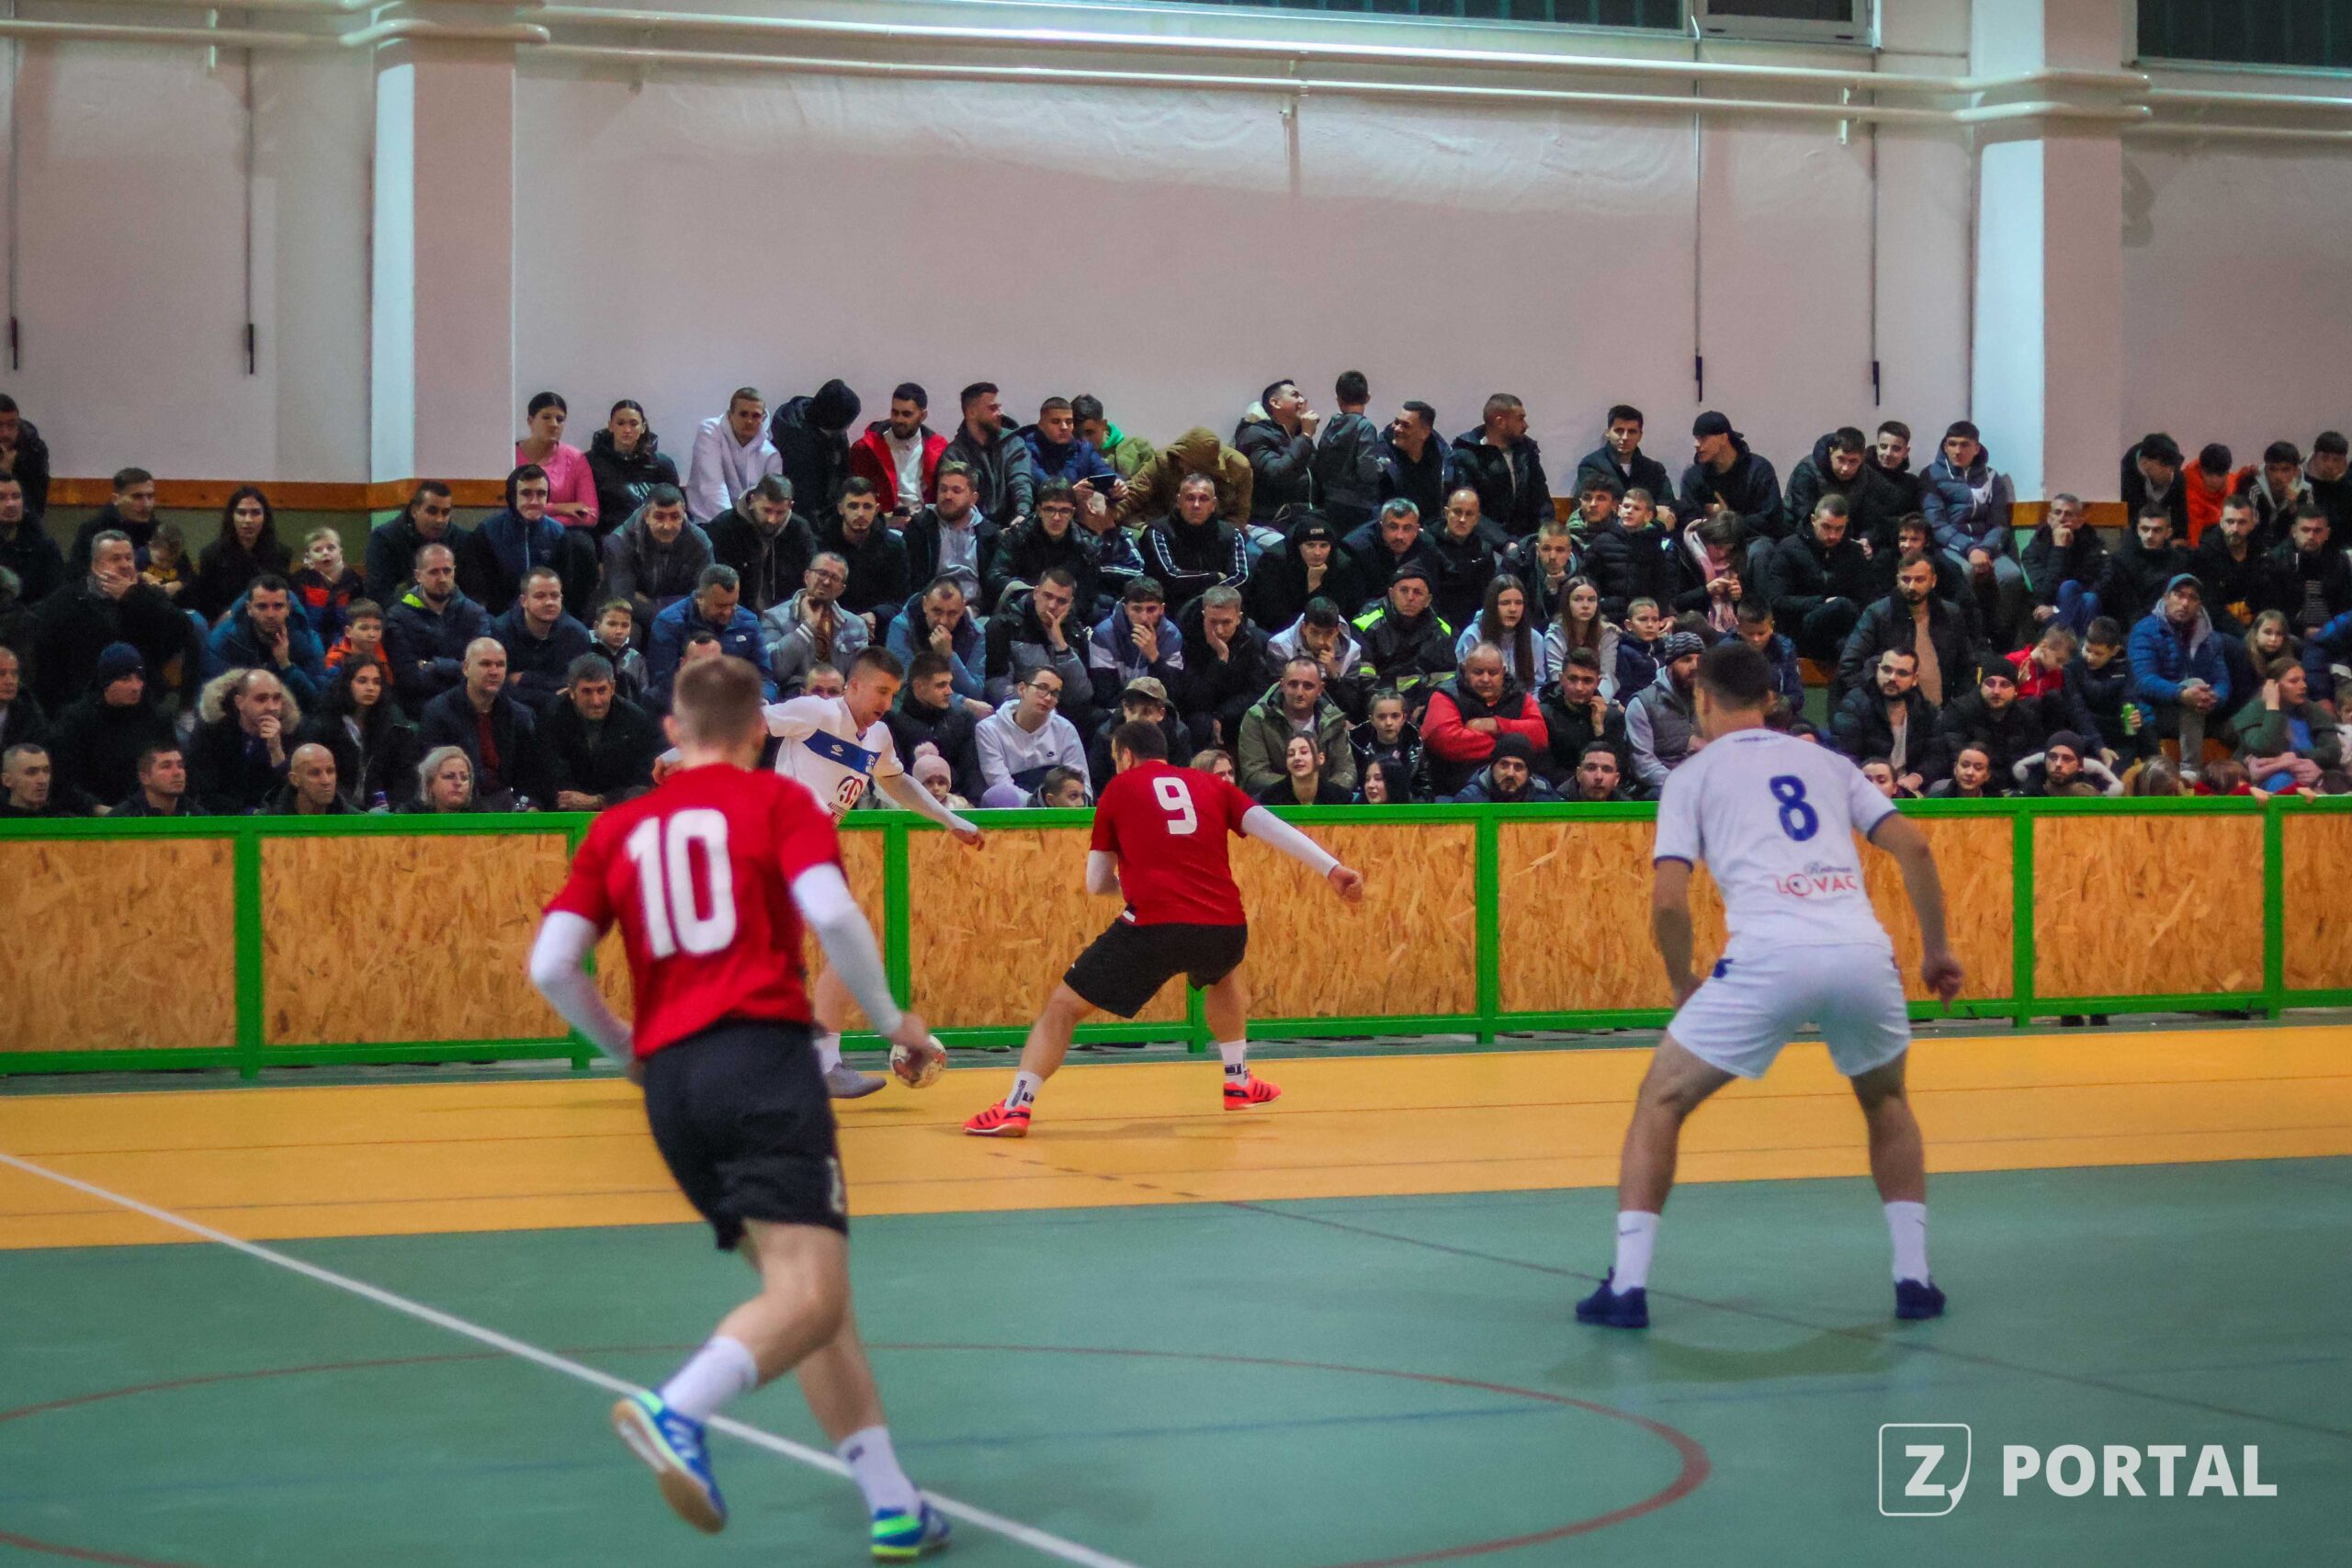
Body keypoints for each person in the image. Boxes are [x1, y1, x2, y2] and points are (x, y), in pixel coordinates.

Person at [526, 655, 953, 1560]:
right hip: (760, 1062)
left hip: (673, 1088)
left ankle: (891, 1502)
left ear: (671, 733)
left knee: (811, 1297)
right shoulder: (779, 803)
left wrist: (625, 1050)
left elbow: (552, 966)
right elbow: (834, 918)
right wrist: (894, 1022)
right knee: (808, 1294)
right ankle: (677, 1409)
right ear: (761, 731)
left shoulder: (619, 827)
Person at [1576, 638, 1961, 1331]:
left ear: (1702, 698)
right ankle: (1915, 1278)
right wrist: (1935, 951)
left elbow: (1669, 901)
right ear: (1771, 699)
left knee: (1661, 1100)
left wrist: (1682, 980)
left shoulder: (1692, 776)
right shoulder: (1827, 761)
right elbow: (1914, 845)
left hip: (1769, 955)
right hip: (1859, 950)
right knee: (1886, 1100)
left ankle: (1627, 1286)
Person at [965, 718, 1363, 1137]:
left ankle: (1017, 1105)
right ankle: (1238, 1079)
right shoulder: (1211, 784)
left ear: (1126, 756)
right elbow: (1271, 826)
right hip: (1224, 924)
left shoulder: (1119, 789)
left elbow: (1095, 883)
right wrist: (1331, 868)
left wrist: (1137, 885)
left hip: (1153, 924)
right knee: (1224, 971)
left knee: (1063, 1008)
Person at [29, 530, 196, 714]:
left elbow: (183, 629)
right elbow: (47, 666)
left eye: (129, 558)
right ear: (95, 566)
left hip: (142, 703)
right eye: (115, 559)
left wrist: (132, 597)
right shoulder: (66, 602)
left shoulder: (147, 596)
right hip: (83, 706)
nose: (125, 565)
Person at [1918, 421, 2026, 645]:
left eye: (1964, 445)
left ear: (1976, 448)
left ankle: (2002, 643)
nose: (1957, 450)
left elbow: (1999, 523)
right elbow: (1936, 524)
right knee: (1964, 572)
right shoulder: (1931, 475)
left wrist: (1984, 548)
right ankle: (1965, 640)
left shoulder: (1992, 477)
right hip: (1949, 545)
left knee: (2011, 576)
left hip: (1986, 544)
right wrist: (1969, 549)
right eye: (1952, 444)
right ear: (1945, 446)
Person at [43, 642, 173, 810]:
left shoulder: (157, 719)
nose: (136, 687)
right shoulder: (76, 720)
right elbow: (63, 780)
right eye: (125, 679)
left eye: (140, 678)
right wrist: (95, 808)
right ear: (106, 682)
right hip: (93, 814)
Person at [1838, 551, 1972, 712]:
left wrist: (1957, 707)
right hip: (1890, 713)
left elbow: (1967, 667)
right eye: (1906, 579)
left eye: (1919, 580)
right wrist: (1876, 705)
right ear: (1897, 579)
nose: (1911, 586)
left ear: (1933, 581)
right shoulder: (1877, 614)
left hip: (1940, 714)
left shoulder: (1951, 614)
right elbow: (1849, 665)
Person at [418, 637, 544, 808]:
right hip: (460, 807)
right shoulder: (438, 712)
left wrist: (530, 804)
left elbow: (532, 775)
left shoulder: (520, 716)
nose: (494, 671)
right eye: (485, 664)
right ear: (466, 668)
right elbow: (431, 775)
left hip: (509, 806)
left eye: (500, 665)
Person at [1421, 642, 1548, 798]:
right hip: (1454, 790)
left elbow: (1540, 735)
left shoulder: (1519, 695)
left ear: (1503, 672)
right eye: (1478, 672)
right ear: (1464, 670)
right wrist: (1513, 747)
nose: (1486, 679)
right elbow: (1447, 742)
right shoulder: (1445, 695)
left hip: (1519, 791)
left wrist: (1496, 725)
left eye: (1493, 672)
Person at [539, 652, 663, 812]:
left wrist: (600, 800)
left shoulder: (635, 719)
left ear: (612, 688)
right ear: (571, 691)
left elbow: (643, 780)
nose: (596, 701)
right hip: (566, 809)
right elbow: (548, 774)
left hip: (620, 809)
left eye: (602, 690)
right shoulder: (551, 717)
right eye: (587, 691)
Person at [294, 657, 419, 809]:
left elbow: (405, 776)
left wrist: (390, 807)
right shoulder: (324, 725)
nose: (370, 688)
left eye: (376, 682)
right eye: (362, 681)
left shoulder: (393, 724)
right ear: (347, 684)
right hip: (336, 809)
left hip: (383, 811)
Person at [1758, 493, 1872, 661]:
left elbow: (1866, 597)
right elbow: (1777, 601)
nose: (1833, 535)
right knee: (1841, 606)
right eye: (1826, 527)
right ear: (1813, 520)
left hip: (1842, 630)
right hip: (1800, 628)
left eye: (1839, 529)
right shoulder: (1789, 548)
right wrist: (1822, 602)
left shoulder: (1853, 552)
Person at [2128, 573, 2231, 760]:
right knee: (2194, 684)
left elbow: (2222, 680)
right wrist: (2182, 694)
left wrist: (2213, 698)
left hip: (2202, 709)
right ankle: (2190, 767)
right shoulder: (2145, 630)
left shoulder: (2210, 638)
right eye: (2179, 595)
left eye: (2192, 598)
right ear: (2166, 598)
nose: (2185, 603)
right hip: (2157, 711)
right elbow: (2143, 681)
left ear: (2199, 605)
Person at [383, 542, 491, 717]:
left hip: (467, 707)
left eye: (447, 571)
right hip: (418, 709)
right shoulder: (398, 616)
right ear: (418, 576)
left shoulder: (475, 614)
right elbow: (408, 678)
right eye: (434, 572)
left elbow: (482, 670)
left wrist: (433, 665)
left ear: (454, 571)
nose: (442, 578)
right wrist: (461, 668)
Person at [649, 566, 772, 706]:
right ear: (699, 598)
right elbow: (663, 683)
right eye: (720, 606)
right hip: (690, 709)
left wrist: (763, 701)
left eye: (733, 604)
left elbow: (765, 677)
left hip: (740, 708)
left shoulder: (749, 622)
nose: (727, 612)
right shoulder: (669, 623)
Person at [1172, 583, 1275, 750]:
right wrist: (1221, 660)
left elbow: (1259, 691)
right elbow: (1194, 700)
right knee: (1200, 722)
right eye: (1213, 622)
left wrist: (1221, 715)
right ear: (1204, 615)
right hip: (1200, 714)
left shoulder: (1254, 641)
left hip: (1233, 712)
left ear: (1239, 618)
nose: (1219, 630)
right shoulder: (1187, 640)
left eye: (1226, 622)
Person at [1235, 656, 1357, 796]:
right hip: (1271, 803)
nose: (1299, 693)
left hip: (1324, 802)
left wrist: (1319, 794)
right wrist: (1302, 788)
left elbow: (1346, 772)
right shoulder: (1257, 718)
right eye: (1293, 684)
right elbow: (1254, 774)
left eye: (1308, 686)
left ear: (1320, 689)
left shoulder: (1334, 721)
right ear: (1282, 685)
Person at [460, 464, 571, 617]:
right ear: (513, 496)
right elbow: (477, 592)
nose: (534, 501)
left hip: (547, 617)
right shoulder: (487, 532)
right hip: (499, 619)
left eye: (541, 494)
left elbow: (565, 589)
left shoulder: (558, 534)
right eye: (526, 494)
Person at [202, 573, 328, 705]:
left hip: (289, 714)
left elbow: (316, 701)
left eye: (278, 606)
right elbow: (213, 698)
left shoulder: (308, 640)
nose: (270, 614)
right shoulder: (225, 639)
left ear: (288, 608)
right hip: (240, 713)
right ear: (249, 608)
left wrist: (286, 665)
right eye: (262, 607)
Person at [607, 484, 723, 626]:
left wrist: (657, 603)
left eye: (675, 517)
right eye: (659, 517)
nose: (667, 526)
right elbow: (624, 599)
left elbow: (705, 596)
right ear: (646, 516)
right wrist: (670, 614)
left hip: (683, 616)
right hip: (634, 618)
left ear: (684, 514)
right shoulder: (620, 541)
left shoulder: (700, 542)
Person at [187, 668, 299, 813]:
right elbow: (204, 791)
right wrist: (249, 813)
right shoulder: (211, 731)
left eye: (277, 698)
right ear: (240, 702)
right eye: (261, 699)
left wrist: (276, 751)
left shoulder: (290, 732)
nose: (271, 707)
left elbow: (294, 792)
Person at [976, 665, 1088, 807]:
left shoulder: (1065, 729)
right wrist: (1039, 805)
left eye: (1055, 693)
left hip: (1059, 806)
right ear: (1022, 689)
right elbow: (1000, 784)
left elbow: (1081, 781)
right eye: (1042, 688)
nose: (1048, 698)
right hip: (1014, 808)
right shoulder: (988, 729)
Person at [761, 552, 868, 699]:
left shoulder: (856, 625)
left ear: (841, 589)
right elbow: (774, 669)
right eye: (822, 573)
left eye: (835, 578)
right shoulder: (774, 617)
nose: (826, 582)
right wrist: (808, 626)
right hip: (793, 702)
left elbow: (860, 679)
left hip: (839, 703)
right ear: (807, 577)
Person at [702, 475, 812, 616]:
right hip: (735, 615)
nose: (772, 519)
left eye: (780, 513)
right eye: (767, 510)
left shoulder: (799, 530)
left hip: (787, 615)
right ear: (753, 500)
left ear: (790, 506)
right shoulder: (723, 528)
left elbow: (810, 576)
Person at [982, 568, 1091, 708]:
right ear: (1036, 593)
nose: (1052, 606)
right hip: (1019, 710)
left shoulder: (1075, 634)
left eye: (1061, 601)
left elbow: (1082, 695)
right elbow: (996, 685)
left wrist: (1061, 647)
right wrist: (1042, 707)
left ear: (1070, 603)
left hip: (1064, 714)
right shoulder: (1003, 626)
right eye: (1047, 596)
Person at [1446, 393, 1550, 539]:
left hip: (1526, 539)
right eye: (1520, 419)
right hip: (1483, 541)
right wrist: (1505, 543)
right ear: (1500, 422)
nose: (1526, 425)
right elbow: (1469, 511)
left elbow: (1542, 501)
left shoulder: (1526, 452)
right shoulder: (1466, 455)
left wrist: (1545, 536)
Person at [1141, 472, 1249, 610]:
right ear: (1178, 502)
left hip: (1219, 610)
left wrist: (1206, 600)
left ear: (1213, 504)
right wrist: (1214, 578)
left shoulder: (1231, 534)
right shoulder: (1158, 532)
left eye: (1204, 499)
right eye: (1190, 498)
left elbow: (1241, 577)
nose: (1196, 505)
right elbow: (1169, 577)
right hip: (1171, 610)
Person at [493, 566, 594, 713]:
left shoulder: (577, 634)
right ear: (523, 601)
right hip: (511, 712)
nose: (549, 602)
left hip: (562, 713)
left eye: (555, 596)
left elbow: (578, 684)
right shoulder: (499, 631)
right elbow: (498, 687)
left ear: (562, 598)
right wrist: (552, 696)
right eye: (540, 596)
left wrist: (526, 678)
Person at [1833, 648, 1932, 791]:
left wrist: (1917, 777)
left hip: (1909, 788)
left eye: (1902, 673)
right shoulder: (1854, 704)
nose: (1892, 678)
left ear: (1915, 679)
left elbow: (1936, 754)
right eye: (1886, 670)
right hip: (1866, 786)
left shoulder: (1925, 710)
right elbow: (1844, 756)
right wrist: (1874, 781)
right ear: (1877, 670)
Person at [1114, 425, 1251, 529]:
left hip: (1216, 529)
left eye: (1192, 467)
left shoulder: (1238, 468)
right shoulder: (1164, 460)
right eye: (1181, 461)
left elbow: (1240, 513)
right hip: (1167, 525)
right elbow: (1135, 492)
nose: (1184, 469)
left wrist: (1220, 537)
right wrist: (1112, 515)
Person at [190, 486, 293, 624]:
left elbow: (282, 598)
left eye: (255, 513)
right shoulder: (211, 555)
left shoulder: (281, 554)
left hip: (267, 621)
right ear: (232, 516)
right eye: (241, 513)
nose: (248, 520)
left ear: (265, 517)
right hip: (225, 624)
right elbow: (204, 602)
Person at [2234, 658, 2339, 792]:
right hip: (2270, 777)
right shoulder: (2254, 710)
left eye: (2303, 680)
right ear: (2273, 685)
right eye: (2294, 681)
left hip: (2312, 772)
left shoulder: (2312, 710)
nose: (2303, 686)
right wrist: (2273, 707)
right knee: (2282, 782)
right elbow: (2265, 748)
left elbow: (2333, 750)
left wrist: (2300, 757)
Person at [940, 381, 1035, 528]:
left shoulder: (1013, 443)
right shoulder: (954, 454)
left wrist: (1022, 513)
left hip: (1012, 526)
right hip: (971, 529)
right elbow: (956, 500)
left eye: (999, 407)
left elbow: (1020, 479)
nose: (1000, 413)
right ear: (971, 413)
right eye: (993, 408)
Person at [1679, 412, 1783, 544]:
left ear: (1723, 438)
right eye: (1696, 438)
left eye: (1703, 438)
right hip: (1709, 542)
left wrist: (1729, 520)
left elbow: (1772, 519)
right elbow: (1689, 520)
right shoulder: (1693, 476)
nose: (1696, 444)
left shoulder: (1758, 469)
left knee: (1762, 548)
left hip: (1751, 540)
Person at [685, 387, 784, 525]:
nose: (749, 421)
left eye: (755, 416)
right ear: (730, 415)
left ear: (762, 418)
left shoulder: (771, 455)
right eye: (743, 414)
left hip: (750, 525)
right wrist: (733, 527)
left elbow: (770, 500)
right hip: (706, 521)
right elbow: (713, 487)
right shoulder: (709, 431)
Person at [901, 461, 997, 604]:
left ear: (973, 498)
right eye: (943, 489)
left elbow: (993, 587)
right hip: (929, 607)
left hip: (974, 609)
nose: (948, 496)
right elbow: (909, 581)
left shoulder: (989, 534)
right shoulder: (919, 527)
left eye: (956, 491)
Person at [850, 383, 948, 521]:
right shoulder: (866, 449)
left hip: (925, 521)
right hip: (882, 522)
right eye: (895, 412)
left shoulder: (937, 449)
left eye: (906, 414)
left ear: (923, 415)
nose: (899, 419)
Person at [884, 577, 987, 706]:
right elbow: (905, 687)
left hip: (954, 711)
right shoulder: (902, 627)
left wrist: (949, 656)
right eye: (937, 611)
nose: (943, 621)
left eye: (952, 613)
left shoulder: (976, 633)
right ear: (925, 604)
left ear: (962, 608)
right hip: (911, 708)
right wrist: (961, 702)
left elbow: (975, 693)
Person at [586, 400, 682, 539]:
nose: (627, 430)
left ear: (643, 427)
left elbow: (677, 504)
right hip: (611, 535)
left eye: (633, 423)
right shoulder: (591, 462)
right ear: (610, 426)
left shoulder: (662, 464)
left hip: (657, 533)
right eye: (620, 423)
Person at [1626, 631, 1706, 794]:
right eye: (1687, 660)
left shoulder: (1712, 701)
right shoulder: (1643, 703)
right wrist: (1681, 783)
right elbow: (1643, 764)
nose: (1695, 666)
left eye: (1700, 660)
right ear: (1669, 665)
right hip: (1663, 785)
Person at [364, 481, 468, 604]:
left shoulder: (460, 539)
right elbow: (379, 594)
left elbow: (472, 591)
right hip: (401, 611)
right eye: (432, 511)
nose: (440, 519)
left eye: (445, 512)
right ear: (414, 511)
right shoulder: (384, 538)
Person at [2023, 491, 2110, 636]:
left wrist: (2061, 609)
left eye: (2068, 514)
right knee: (2071, 589)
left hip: (2083, 607)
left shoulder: (2092, 544)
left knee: (2087, 597)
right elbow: (2044, 594)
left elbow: (2102, 583)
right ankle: (2081, 647)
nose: (2062, 518)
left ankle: (2072, 647)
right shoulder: (2033, 551)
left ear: (2079, 522)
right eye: (2057, 513)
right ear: (2049, 518)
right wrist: (2059, 549)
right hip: (2050, 614)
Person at [1236, 378, 1319, 526]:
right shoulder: (1255, 435)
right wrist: (1306, 436)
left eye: (1302, 396)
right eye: (1295, 395)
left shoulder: (1298, 437)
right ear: (1275, 403)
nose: (1302, 401)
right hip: (1272, 521)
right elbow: (1277, 475)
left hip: (1306, 518)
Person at [1086, 576, 1184, 697]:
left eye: (1151, 609)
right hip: (1118, 706)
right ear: (1125, 608)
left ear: (1162, 609)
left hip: (1156, 706)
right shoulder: (1103, 635)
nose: (1144, 618)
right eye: (1137, 609)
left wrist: (1154, 656)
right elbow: (1105, 694)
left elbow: (1173, 693)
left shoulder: (1172, 635)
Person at [1426, 486, 1506, 633]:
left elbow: (1487, 598)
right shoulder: (1428, 544)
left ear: (1477, 519)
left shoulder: (1484, 550)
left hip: (1473, 626)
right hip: (1434, 626)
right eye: (1457, 512)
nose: (1462, 519)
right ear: (1446, 513)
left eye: (1469, 514)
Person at [517, 392, 599, 533]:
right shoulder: (510, 455)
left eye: (560, 419)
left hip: (562, 534)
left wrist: (545, 522)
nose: (554, 424)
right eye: (546, 417)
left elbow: (590, 515)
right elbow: (510, 509)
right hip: (518, 532)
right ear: (530, 421)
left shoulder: (575, 458)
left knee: (582, 543)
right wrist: (559, 508)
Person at [1310, 370, 1382, 529]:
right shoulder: (1365, 427)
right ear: (1367, 398)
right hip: (1358, 504)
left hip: (1328, 500)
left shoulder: (1333, 423)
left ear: (1339, 399)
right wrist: (1382, 465)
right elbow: (1366, 470)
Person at [1576, 404, 1674, 513]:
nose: (1625, 437)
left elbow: (1668, 505)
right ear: (1608, 433)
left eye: (1632, 432)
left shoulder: (1655, 470)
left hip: (1649, 523)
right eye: (1619, 431)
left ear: (1640, 435)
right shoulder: (1591, 466)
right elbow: (1589, 507)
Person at [66, 468, 160, 575]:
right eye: (137, 497)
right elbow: (77, 573)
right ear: (116, 499)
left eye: (150, 496)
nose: (146, 504)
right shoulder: (92, 530)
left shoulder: (159, 532)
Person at [291, 527, 364, 648]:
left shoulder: (354, 581)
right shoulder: (300, 581)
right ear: (308, 556)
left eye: (331, 548)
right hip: (309, 641)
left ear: (340, 552)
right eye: (317, 550)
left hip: (345, 642)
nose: (325, 553)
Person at [0, 474, 63, 608]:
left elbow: (55, 598)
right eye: (1, 498)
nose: (11, 504)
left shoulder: (44, 547)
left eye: (16, 497)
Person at [1447, 731, 1559, 803]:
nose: (1510, 773)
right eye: (1504, 765)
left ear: (1529, 773)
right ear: (1492, 767)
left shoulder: (1545, 797)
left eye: (1518, 767)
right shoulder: (1470, 799)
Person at [1071, 393, 1155, 482]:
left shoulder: (1138, 448)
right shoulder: (1068, 456)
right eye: (1077, 434)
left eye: (1089, 432)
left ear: (1103, 425)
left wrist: (1126, 486)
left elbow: (1154, 482)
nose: (1084, 440)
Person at [2012, 730, 2121, 798]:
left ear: (2079, 766)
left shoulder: (2089, 794)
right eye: (2053, 757)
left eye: (2067, 759)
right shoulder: (2029, 791)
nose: (2058, 764)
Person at [1254, 730, 1351, 806]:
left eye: (1304, 752)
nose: (1297, 758)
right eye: (1291, 754)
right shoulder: (1268, 799)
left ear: (1320, 758)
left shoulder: (1340, 798)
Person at [266, 742, 359, 815]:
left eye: (330, 771)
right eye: (315, 773)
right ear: (295, 780)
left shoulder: (358, 821)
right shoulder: (264, 821)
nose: (326, 781)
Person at [0, 395, 52, 523]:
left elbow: (36, 506)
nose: (5, 433)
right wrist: (4, 473)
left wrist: (9, 476)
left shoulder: (33, 449)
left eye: (11, 425)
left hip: (24, 522)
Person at [110, 740, 196, 817]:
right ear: (145, 778)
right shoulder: (121, 819)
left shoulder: (197, 815)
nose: (177, 773)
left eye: (180, 765)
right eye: (166, 766)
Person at [399, 745, 481, 813]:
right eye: (449, 776)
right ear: (430, 783)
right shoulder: (407, 815)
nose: (458, 783)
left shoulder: (482, 815)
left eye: (464, 778)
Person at [0, 742, 74, 817]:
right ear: (7, 780)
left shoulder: (64, 819)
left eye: (46, 771)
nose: (43, 780)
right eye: (31, 772)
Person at [1926, 742, 2000, 799]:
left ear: (1987, 775)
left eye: (1978, 768)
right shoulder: (1935, 800)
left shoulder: (1998, 801)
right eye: (1965, 765)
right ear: (1955, 769)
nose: (1970, 773)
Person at [1566, 740, 1631, 802]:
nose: (1598, 777)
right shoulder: (1560, 801)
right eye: (1591, 768)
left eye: (1606, 770)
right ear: (1578, 774)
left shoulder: (1627, 806)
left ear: (1616, 779)